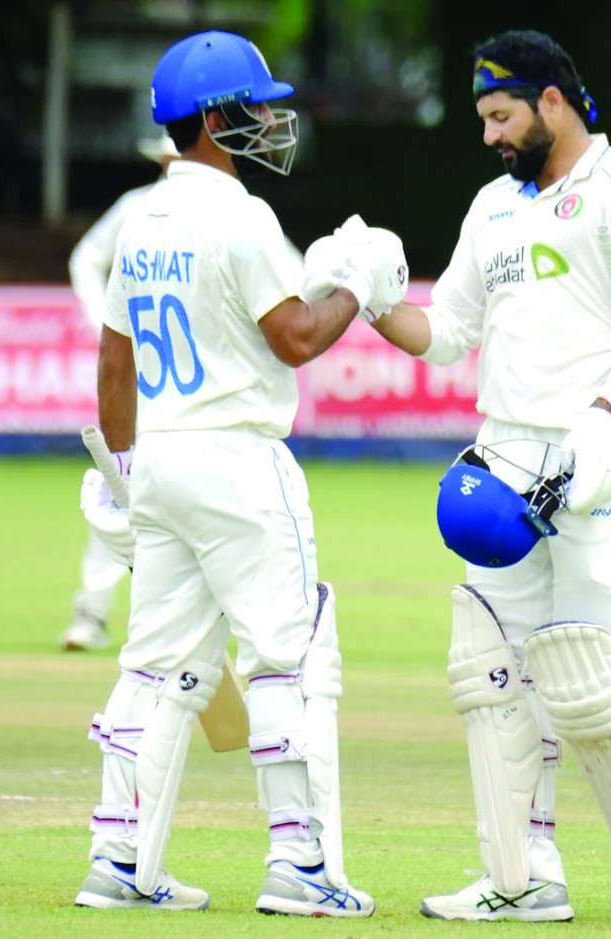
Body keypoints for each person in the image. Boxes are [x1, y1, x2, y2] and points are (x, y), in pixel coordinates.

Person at [316, 29, 611, 923]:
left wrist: (603, 416)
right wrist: (372, 299)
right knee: (493, 670)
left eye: (502, 116)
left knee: (591, 672)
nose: (491, 135)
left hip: (600, 454)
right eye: (484, 119)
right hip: (502, 457)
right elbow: (445, 334)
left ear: (553, 102)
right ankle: (523, 873)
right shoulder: (492, 207)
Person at [71, 29, 405, 915]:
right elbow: (294, 337)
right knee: (287, 657)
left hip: (164, 456)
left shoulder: (139, 216)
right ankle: (300, 867)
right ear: (217, 120)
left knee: (151, 665)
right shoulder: (242, 215)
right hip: (239, 461)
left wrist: (128, 471)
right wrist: (360, 287)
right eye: (256, 107)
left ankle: (118, 855)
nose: (270, 120)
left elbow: (114, 359)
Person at [60, 134, 179, 652]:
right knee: (120, 483)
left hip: (205, 385)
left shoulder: (237, 213)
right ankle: (91, 610)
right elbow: (85, 259)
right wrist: (106, 326)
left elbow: (289, 282)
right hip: (142, 380)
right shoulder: (136, 208)